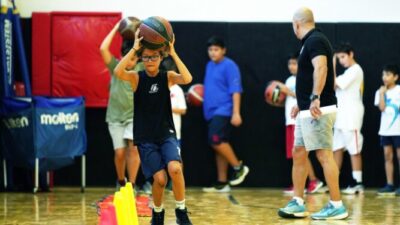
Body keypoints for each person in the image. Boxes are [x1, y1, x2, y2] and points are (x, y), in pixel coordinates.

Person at [113, 29, 193, 225]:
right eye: (146, 57)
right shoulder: (137, 78)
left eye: (154, 57)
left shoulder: (167, 77)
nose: (150, 60)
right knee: (160, 179)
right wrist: (134, 49)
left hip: (166, 134)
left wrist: (173, 52)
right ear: (142, 59)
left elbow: (188, 78)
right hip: (146, 138)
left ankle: (181, 211)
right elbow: (117, 71)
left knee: (175, 168)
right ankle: (157, 214)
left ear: (160, 57)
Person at [278, 7, 348, 220]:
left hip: (319, 108)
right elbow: (311, 75)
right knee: (299, 151)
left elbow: (322, 68)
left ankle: (337, 205)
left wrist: (315, 97)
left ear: (296, 24)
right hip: (308, 109)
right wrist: (302, 102)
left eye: (293, 26)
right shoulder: (309, 42)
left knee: (323, 155)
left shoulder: (315, 40)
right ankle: (298, 202)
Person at [202, 36, 249, 193]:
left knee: (215, 140)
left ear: (223, 50)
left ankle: (239, 167)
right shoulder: (209, 65)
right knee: (219, 144)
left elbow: (236, 90)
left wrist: (236, 113)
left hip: (224, 110)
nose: (213, 53)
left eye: (216, 49)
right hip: (210, 112)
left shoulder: (230, 66)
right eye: (210, 50)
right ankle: (222, 182)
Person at [99, 19, 142, 191]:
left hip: (134, 116)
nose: (130, 62)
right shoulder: (115, 67)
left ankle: (132, 184)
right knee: (120, 153)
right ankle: (121, 180)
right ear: (121, 57)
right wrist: (117, 28)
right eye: (127, 58)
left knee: (134, 149)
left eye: (133, 59)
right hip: (115, 117)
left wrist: (141, 33)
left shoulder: (141, 69)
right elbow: (103, 49)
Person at [279, 53, 323, 195]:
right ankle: (299, 183)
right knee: (295, 154)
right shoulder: (289, 79)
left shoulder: (305, 78)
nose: (291, 66)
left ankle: (314, 180)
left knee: (301, 153)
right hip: (290, 120)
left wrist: (288, 92)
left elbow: (306, 98)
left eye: (294, 63)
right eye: (290, 63)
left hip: (301, 119)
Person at [333, 43, 365, 194]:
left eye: (342, 57)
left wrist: (331, 63)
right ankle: (333, 182)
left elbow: (333, 83)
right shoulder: (345, 73)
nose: (341, 60)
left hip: (351, 116)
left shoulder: (355, 70)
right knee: (337, 148)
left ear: (351, 54)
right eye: (338, 58)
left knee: (354, 149)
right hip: (340, 116)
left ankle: (357, 182)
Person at [374, 64, 400, 196]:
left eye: (388, 74)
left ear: (395, 77)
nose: (385, 77)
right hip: (385, 130)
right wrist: (382, 94)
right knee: (387, 156)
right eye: (383, 74)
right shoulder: (380, 92)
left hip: (398, 130)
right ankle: (390, 184)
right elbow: (382, 108)